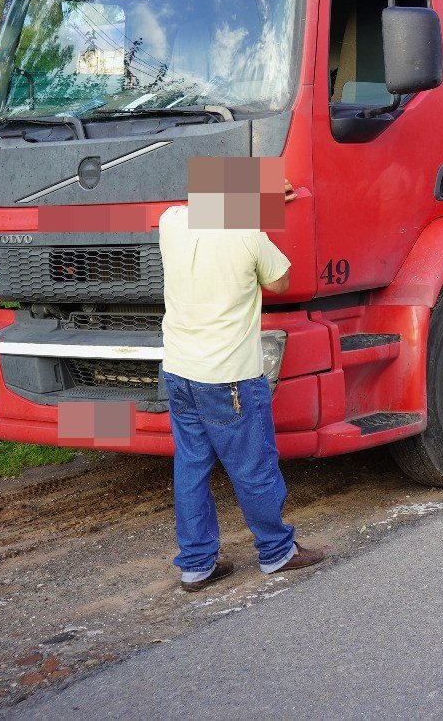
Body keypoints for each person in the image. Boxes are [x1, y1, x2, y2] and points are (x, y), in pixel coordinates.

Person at [159, 156, 324, 591]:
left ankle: (196, 565)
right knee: (252, 466)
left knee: (191, 467)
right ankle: (276, 552)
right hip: (228, 376)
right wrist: (268, 202)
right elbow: (282, 283)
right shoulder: (249, 235)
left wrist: (252, 193)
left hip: (178, 371)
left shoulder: (171, 223)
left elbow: (203, 202)